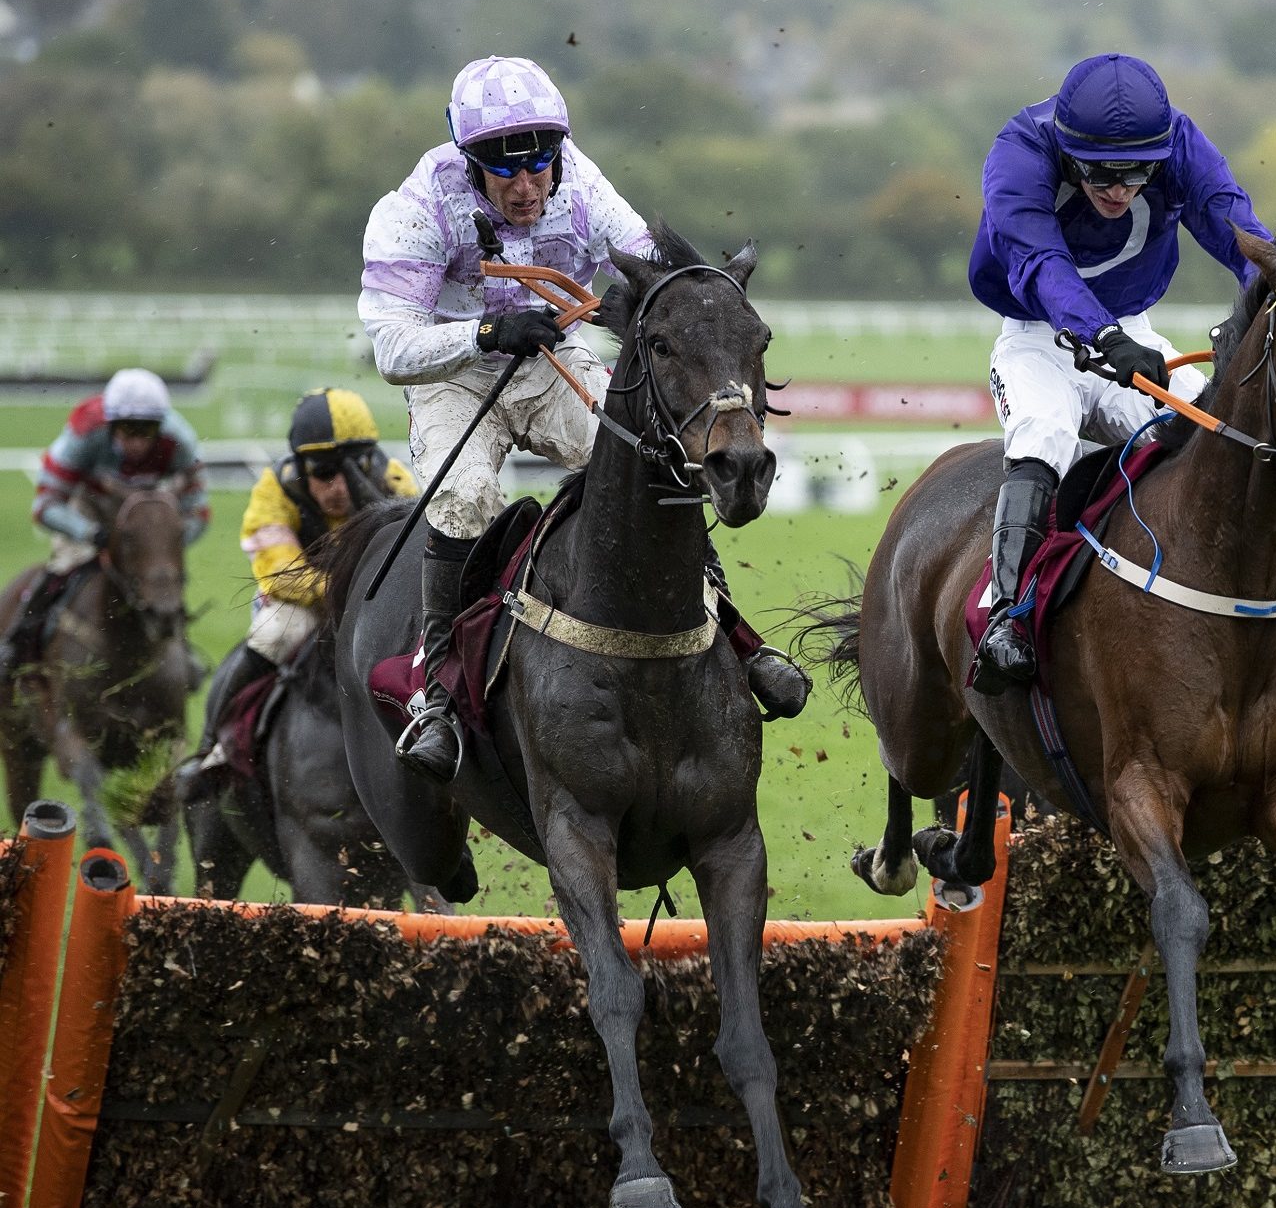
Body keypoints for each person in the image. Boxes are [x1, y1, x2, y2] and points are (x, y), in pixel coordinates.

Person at [359, 54, 807, 783]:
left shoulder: (584, 183)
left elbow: (651, 274)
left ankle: (735, 634)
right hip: (454, 375)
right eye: (504, 171)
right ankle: (437, 692)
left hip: (551, 360)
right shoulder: (412, 210)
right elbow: (392, 347)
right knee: (468, 497)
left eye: (539, 164)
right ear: (469, 161)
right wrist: (483, 334)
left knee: (659, 452)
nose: (526, 185)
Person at [965, 53, 1276, 693]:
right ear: (1067, 153)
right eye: (1101, 174)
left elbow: (1233, 222)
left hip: (1133, 329)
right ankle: (1008, 617)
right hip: (1036, 338)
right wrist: (1100, 335)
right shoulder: (1019, 152)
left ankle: (1269, 599)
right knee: (1044, 432)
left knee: (1219, 435)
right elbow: (1039, 264)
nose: (1120, 190)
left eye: (1137, 174)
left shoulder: (1180, 143)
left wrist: (1266, 293)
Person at [178, 388, 418, 791]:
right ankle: (212, 749)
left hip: (371, 598)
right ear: (301, 467)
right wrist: (346, 592)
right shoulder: (275, 490)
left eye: (353, 468)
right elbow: (281, 574)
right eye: (324, 473)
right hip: (302, 603)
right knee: (275, 634)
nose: (339, 487)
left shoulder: (394, 479)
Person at [0, 367, 209, 685]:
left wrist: (166, 542)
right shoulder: (83, 434)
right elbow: (45, 506)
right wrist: (90, 534)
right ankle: (18, 645)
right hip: (88, 510)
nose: (137, 441)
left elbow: (199, 511)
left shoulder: (179, 441)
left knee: (162, 577)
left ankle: (181, 650)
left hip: (145, 515)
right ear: (110, 424)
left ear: (161, 425)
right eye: (127, 429)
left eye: (147, 430)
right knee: (65, 565)